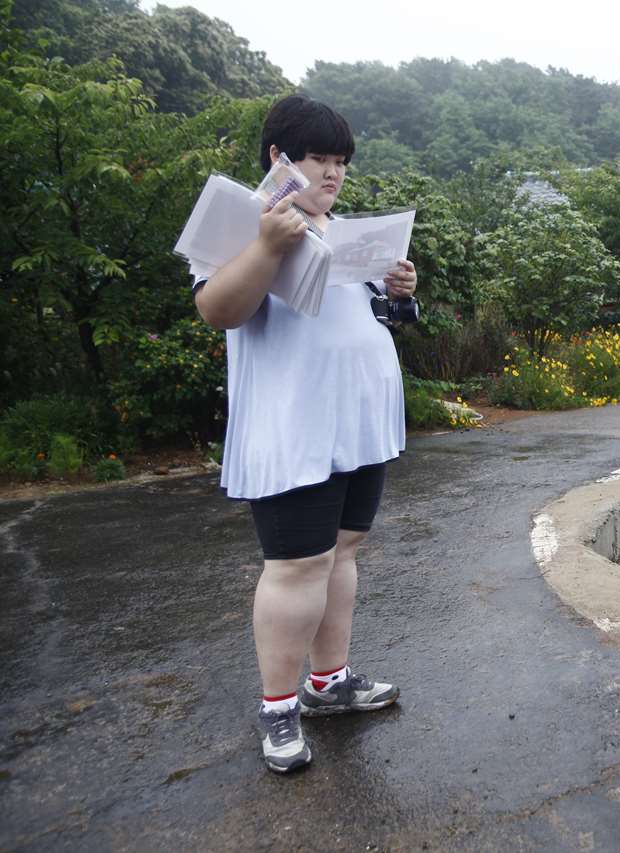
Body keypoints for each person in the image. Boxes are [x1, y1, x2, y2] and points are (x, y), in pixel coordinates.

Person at [193, 94, 417, 774]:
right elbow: (217, 309)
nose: (332, 173)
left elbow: (372, 317)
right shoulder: (241, 221)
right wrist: (266, 245)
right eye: (319, 158)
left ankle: (329, 681)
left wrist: (401, 290)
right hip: (294, 426)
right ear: (278, 158)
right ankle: (278, 707)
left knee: (342, 553)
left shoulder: (343, 230)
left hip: (358, 425)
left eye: (341, 161)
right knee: (296, 566)